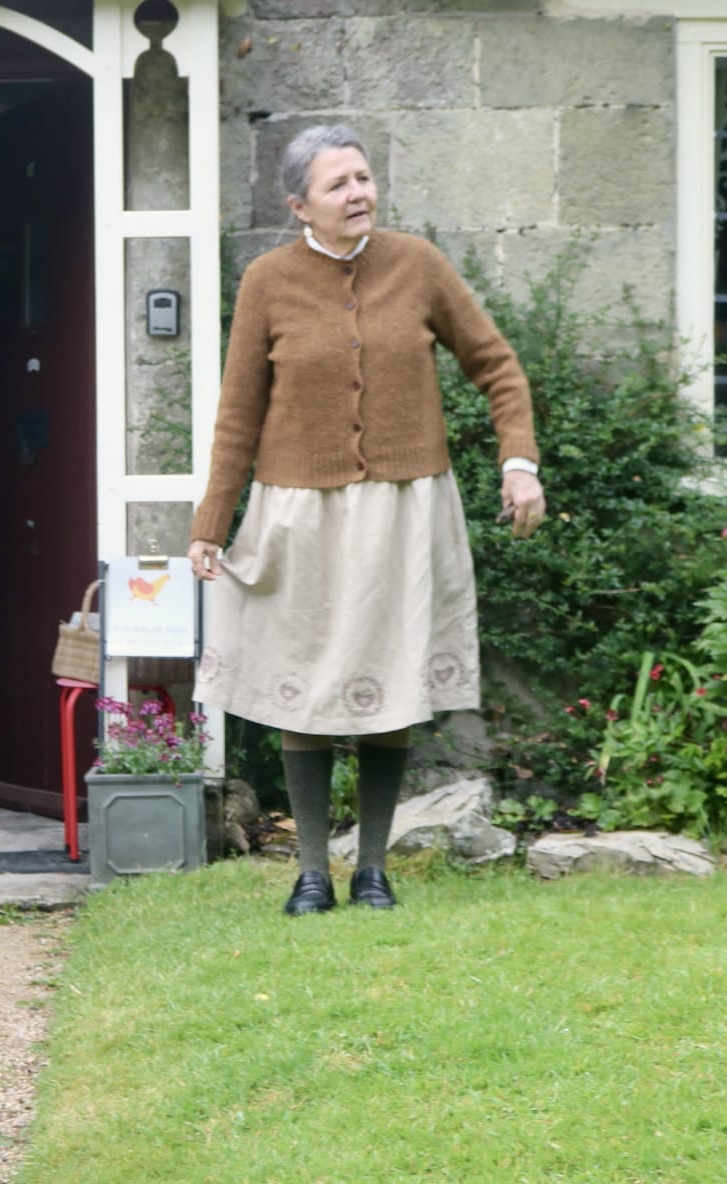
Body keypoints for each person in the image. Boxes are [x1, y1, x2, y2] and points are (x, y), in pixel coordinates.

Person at [187, 125, 546, 917]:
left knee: (390, 683)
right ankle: (313, 872)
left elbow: (497, 367)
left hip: (402, 512)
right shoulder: (267, 281)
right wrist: (211, 521)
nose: (358, 193)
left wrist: (518, 462)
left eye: (363, 177)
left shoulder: (418, 265)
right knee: (307, 689)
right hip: (300, 515)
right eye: (338, 184)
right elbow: (238, 411)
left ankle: (374, 869)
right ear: (299, 205)